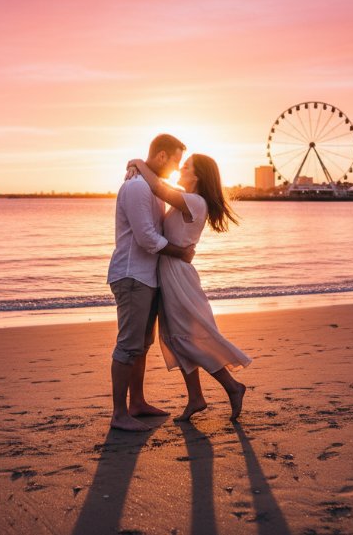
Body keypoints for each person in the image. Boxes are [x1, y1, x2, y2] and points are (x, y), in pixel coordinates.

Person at [126, 153, 251, 422]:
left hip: (178, 274)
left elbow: (158, 187)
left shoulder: (194, 201)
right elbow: (158, 186)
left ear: (197, 176)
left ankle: (232, 386)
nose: (180, 169)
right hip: (169, 272)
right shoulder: (188, 199)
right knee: (175, 337)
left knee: (187, 337)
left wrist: (138, 162)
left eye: (186, 166)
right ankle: (196, 397)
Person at [107, 134, 195, 432]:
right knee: (128, 346)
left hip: (146, 277)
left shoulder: (151, 187)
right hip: (131, 276)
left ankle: (137, 403)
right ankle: (119, 414)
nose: (176, 168)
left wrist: (135, 163)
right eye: (176, 161)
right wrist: (180, 252)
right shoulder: (136, 187)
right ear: (161, 156)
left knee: (142, 346)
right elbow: (146, 238)